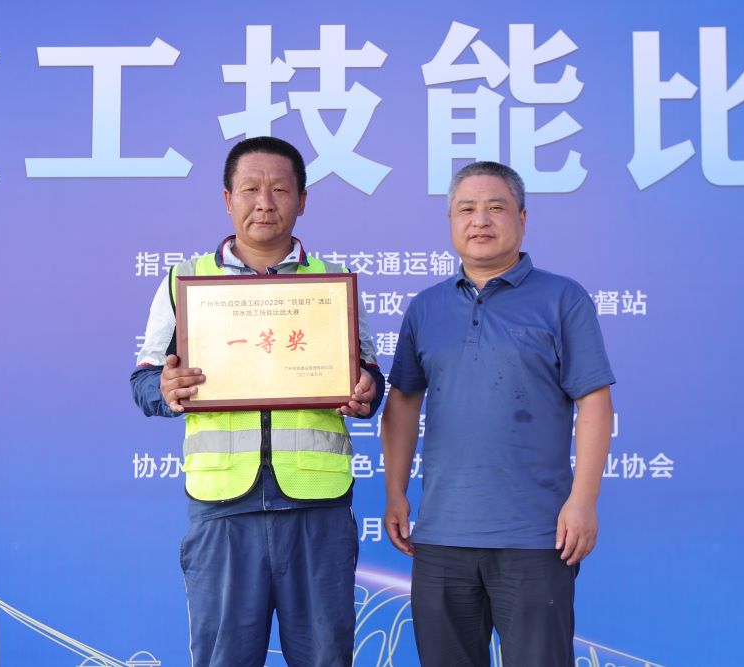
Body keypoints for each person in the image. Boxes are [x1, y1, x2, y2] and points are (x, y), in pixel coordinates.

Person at [131, 136, 384, 667]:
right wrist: (165, 390)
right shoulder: (185, 281)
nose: (264, 203)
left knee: (325, 658)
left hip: (316, 507)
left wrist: (367, 391)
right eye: (250, 189)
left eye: (280, 190)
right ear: (228, 199)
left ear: (302, 200)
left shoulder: (332, 285)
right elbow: (145, 378)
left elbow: (370, 376)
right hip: (223, 507)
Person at [380, 161, 615, 667]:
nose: (480, 220)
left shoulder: (563, 298)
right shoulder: (425, 307)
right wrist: (395, 491)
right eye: (466, 209)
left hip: (537, 536)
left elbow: (594, 402)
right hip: (440, 536)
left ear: (522, 218)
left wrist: (583, 501)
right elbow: (402, 401)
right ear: (450, 220)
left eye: (496, 208)